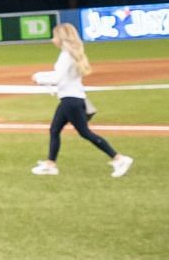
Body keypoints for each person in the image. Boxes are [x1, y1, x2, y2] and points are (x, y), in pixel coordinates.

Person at [31, 22, 133, 178]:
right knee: (54, 130)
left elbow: (58, 78)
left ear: (61, 37)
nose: (53, 39)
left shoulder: (66, 56)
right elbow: (61, 75)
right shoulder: (69, 54)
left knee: (85, 133)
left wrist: (39, 79)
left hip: (70, 100)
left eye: (54, 36)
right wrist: (41, 75)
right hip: (71, 98)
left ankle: (119, 158)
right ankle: (50, 164)